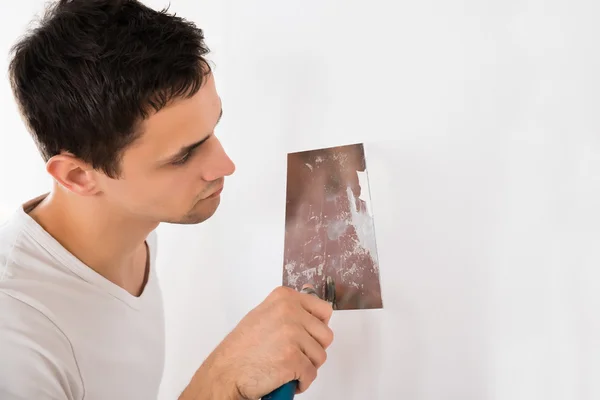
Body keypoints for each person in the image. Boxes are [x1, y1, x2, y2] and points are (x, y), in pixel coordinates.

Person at [0, 0, 334, 399]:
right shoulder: (16, 341)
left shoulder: (132, 225)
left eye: (213, 129)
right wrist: (220, 382)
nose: (226, 165)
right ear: (78, 176)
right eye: (184, 155)